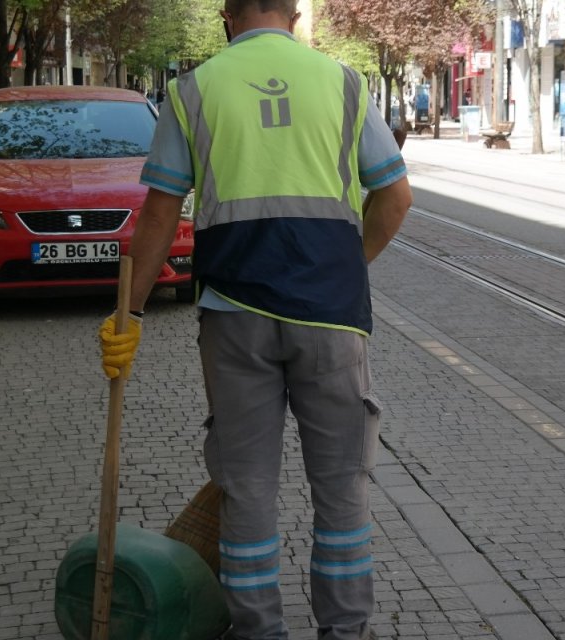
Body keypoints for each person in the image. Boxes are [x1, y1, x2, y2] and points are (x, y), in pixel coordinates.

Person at [98, 1, 411, 638]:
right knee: (343, 486)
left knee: (246, 489)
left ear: (226, 17)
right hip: (330, 317)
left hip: (233, 316)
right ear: (294, 16)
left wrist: (127, 315)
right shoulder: (345, 83)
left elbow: (160, 215)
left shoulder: (192, 90)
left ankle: (259, 630)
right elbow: (394, 195)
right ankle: (345, 630)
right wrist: (349, 268)